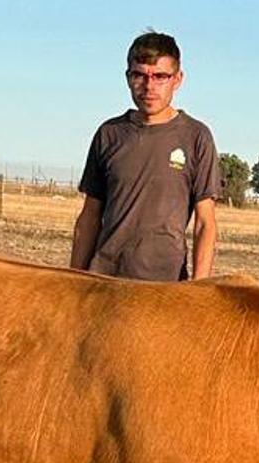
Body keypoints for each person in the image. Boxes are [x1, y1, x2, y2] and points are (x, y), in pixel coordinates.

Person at [70, 32, 220, 281]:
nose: (149, 87)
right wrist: (73, 281)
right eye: (139, 75)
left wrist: (199, 290)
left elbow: (205, 223)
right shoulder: (110, 134)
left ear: (178, 79)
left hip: (164, 289)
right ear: (127, 78)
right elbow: (90, 216)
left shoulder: (196, 137)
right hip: (105, 281)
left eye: (160, 76)